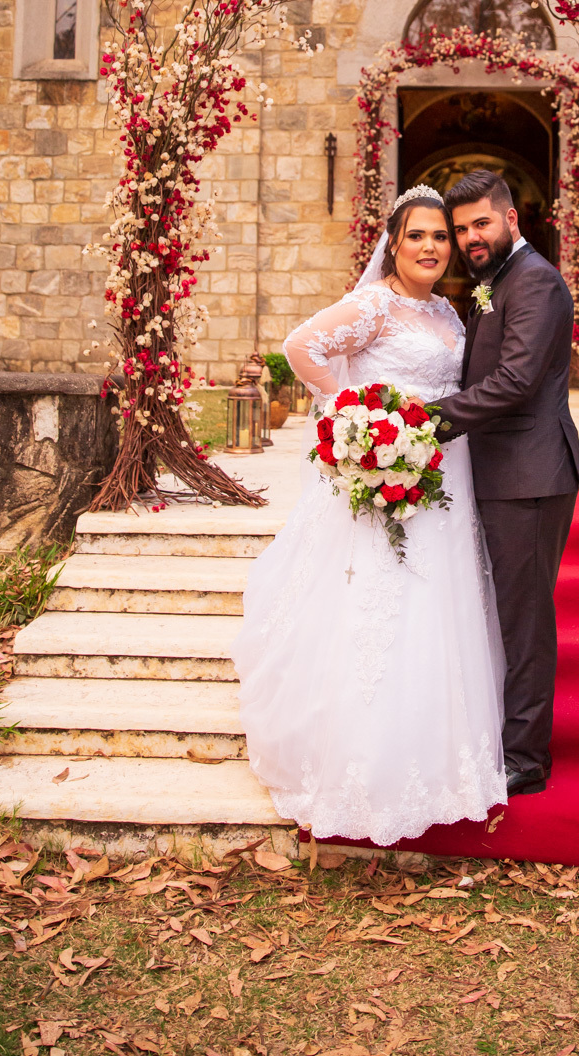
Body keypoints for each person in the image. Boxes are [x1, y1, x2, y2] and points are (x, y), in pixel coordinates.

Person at [231, 186, 506, 846]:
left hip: (446, 472)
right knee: (383, 602)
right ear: (393, 241)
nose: (432, 247)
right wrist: (364, 419)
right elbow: (302, 347)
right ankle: (358, 763)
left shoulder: (445, 309)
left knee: (441, 605)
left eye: (441, 237)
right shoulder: (374, 304)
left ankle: (438, 754)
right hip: (390, 470)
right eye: (418, 236)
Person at [435, 169, 579, 797]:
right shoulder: (498, 282)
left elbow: (518, 380)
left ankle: (527, 756)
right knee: (506, 614)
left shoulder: (536, 283)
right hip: (502, 471)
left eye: (481, 223)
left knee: (524, 620)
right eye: (462, 228)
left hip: (530, 473)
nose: (471, 237)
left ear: (510, 219)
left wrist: (430, 420)